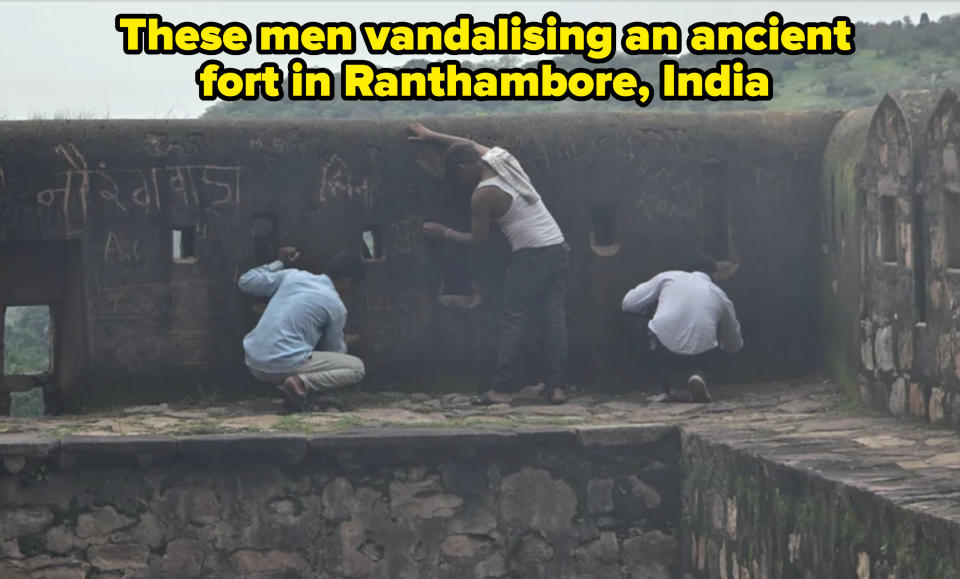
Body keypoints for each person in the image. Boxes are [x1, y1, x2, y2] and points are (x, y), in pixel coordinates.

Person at [406, 122, 569, 405]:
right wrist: (432, 136)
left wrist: (444, 233)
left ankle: (502, 389)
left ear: (463, 170)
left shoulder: (483, 195)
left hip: (530, 255)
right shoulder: (503, 158)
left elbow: (477, 240)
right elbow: (465, 140)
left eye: (458, 178)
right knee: (554, 319)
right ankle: (556, 388)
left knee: (512, 320)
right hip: (557, 245)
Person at [238, 247, 365, 411]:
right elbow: (334, 350)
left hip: (253, 360)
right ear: (347, 279)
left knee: (300, 350)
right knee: (356, 368)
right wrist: (346, 342)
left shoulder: (293, 276)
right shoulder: (335, 306)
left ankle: (297, 389)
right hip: (282, 364)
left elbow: (246, 281)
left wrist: (280, 263)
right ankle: (301, 383)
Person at [621, 255, 743, 403]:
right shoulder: (720, 295)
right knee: (722, 333)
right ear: (712, 274)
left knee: (630, 319)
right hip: (701, 355)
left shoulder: (669, 277)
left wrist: (650, 311)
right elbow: (734, 346)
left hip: (662, 350)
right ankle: (699, 374)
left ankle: (660, 387)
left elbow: (628, 304)